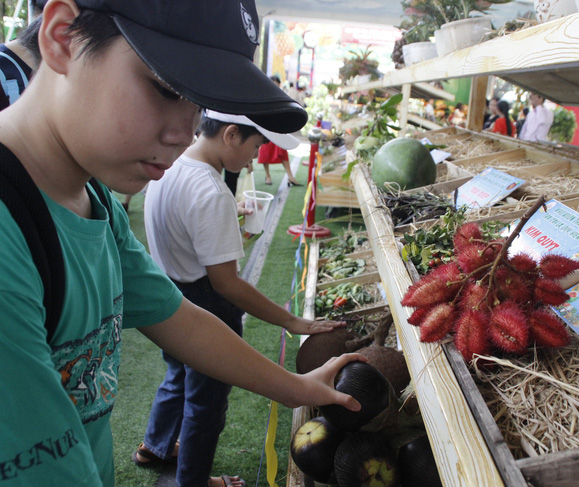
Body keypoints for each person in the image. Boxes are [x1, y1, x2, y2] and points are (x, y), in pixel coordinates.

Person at [0, 1, 363, 486]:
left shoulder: (94, 201)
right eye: (166, 88)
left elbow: (179, 319)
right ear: (63, 37)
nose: (184, 132)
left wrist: (295, 388)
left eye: (197, 103)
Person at [136, 110, 328, 487]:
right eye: (255, 146)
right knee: (206, 403)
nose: (255, 157)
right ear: (230, 135)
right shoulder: (211, 190)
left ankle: (155, 445)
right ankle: (193, 480)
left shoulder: (170, 167)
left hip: (170, 292)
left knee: (177, 375)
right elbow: (227, 284)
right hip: (206, 303)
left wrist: (226, 227)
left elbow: (185, 233)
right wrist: (291, 320)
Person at [258, 75, 301, 186]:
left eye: (277, 84)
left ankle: (290, 176)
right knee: (265, 153)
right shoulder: (262, 95)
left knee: (282, 151)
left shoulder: (281, 95)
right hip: (265, 128)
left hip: (277, 128)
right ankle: (268, 176)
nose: (275, 86)